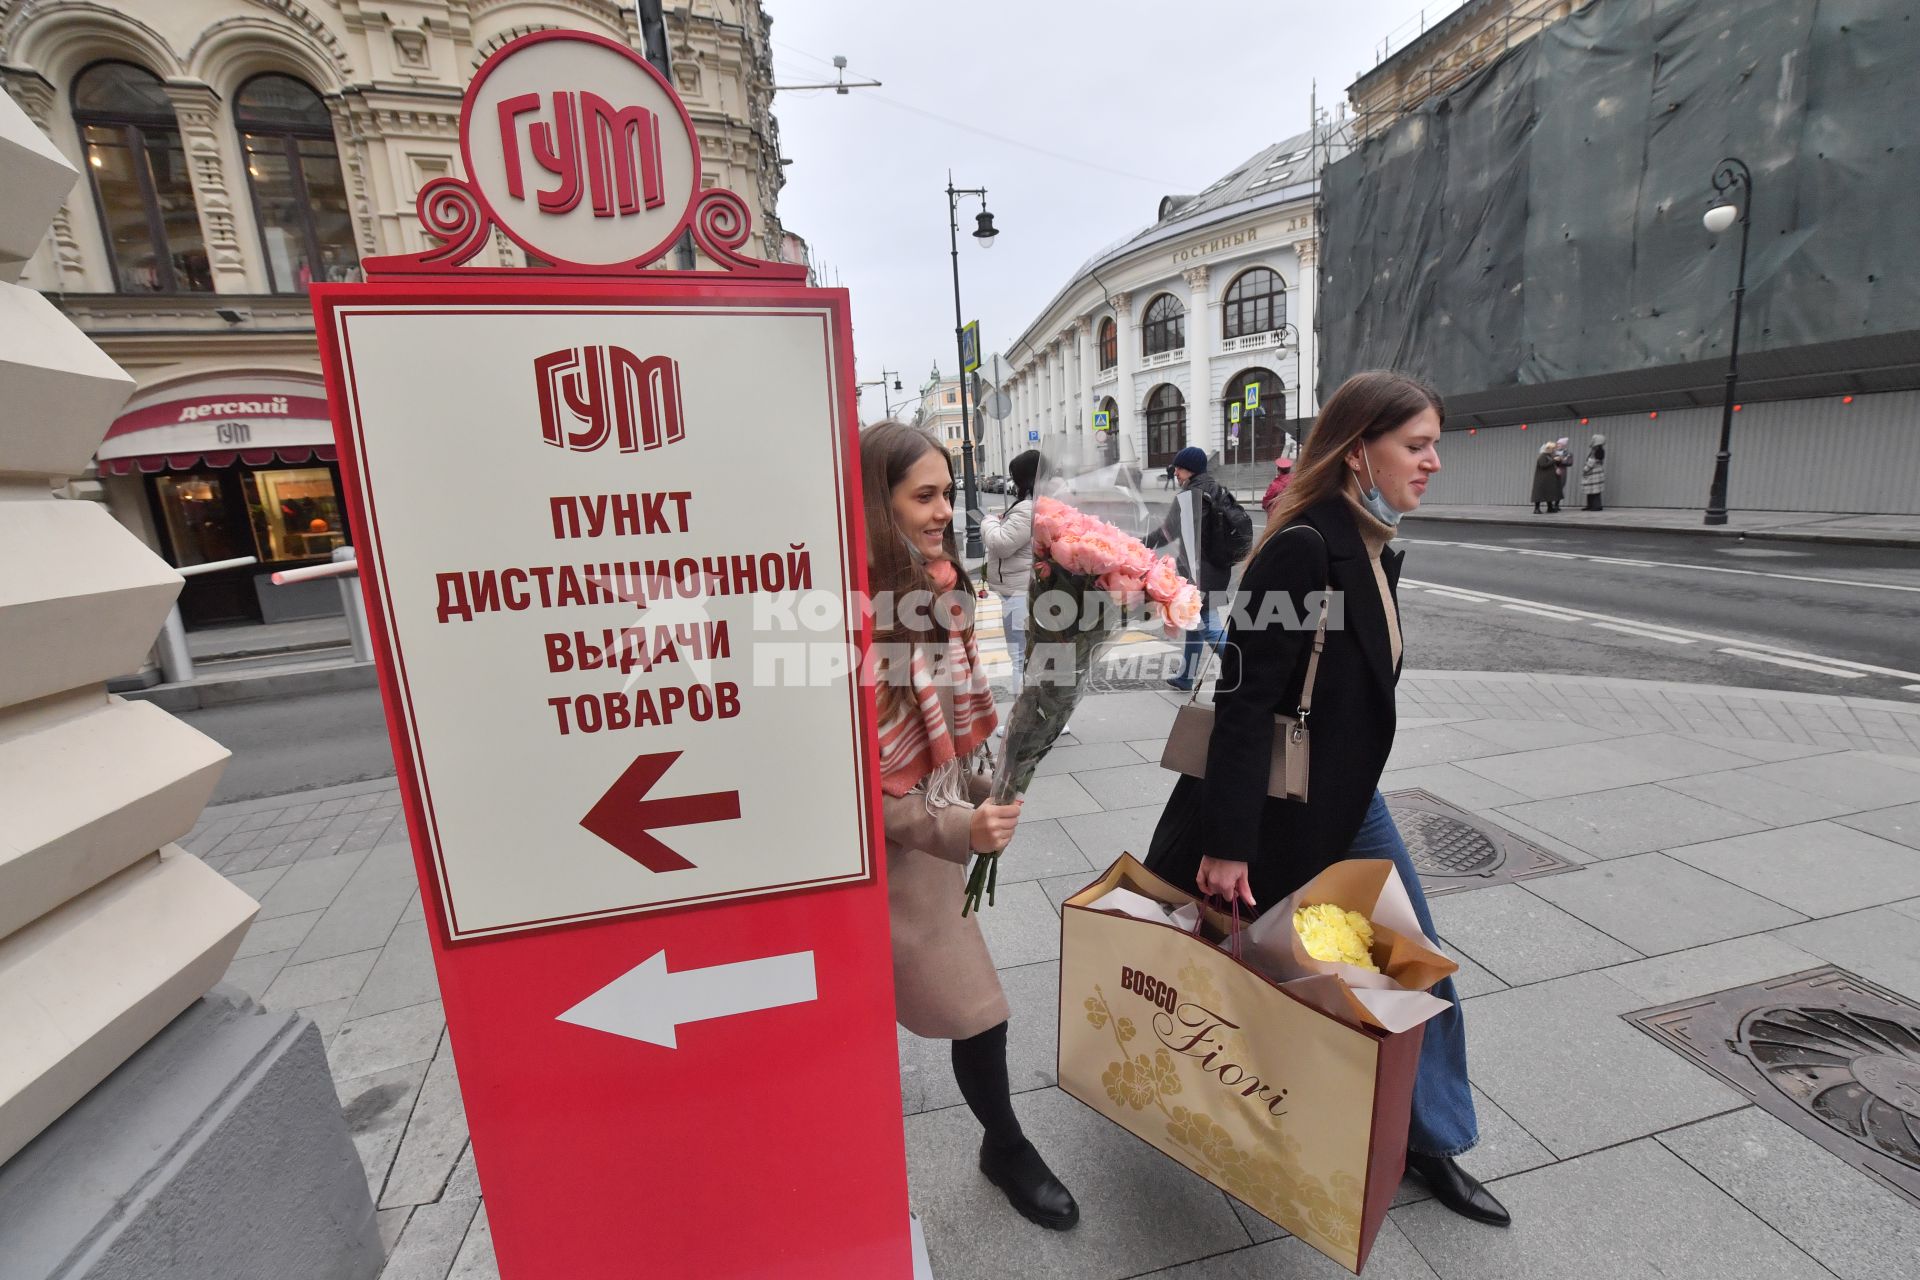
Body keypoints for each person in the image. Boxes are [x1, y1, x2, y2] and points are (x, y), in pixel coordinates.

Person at [1144, 371, 1512, 1229]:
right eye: (1416, 445)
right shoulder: (1304, 545)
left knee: (1413, 973)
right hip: (1293, 805)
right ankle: (1274, 1123)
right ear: (1360, 450)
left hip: (1348, 796)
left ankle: (1432, 1144)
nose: (1433, 462)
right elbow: (1243, 702)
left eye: (1434, 445)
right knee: (1327, 976)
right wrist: (1229, 844)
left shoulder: (1369, 538)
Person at [859, 422, 1079, 1230]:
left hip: (931, 838)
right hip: (884, 867)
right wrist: (960, 828)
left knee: (968, 1010)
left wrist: (992, 778)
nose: (945, 511)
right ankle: (1006, 1147)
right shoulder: (869, 616)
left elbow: (942, 737)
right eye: (924, 495)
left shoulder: (934, 591)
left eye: (948, 493)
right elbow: (871, 788)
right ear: (874, 504)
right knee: (978, 1009)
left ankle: (1000, 1144)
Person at [1146, 445, 1250, 691]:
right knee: (1194, 622)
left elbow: (1166, 533)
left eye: (1179, 468)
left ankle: (1244, 670)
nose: (1177, 473)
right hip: (1217, 569)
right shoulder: (1217, 490)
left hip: (1197, 573)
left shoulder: (1189, 496)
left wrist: (1139, 544)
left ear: (1189, 469)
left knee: (1208, 626)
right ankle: (1186, 677)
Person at [981, 449, 1038, 719]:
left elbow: (1002, 544)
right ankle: (1046, 720)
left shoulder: (1027, 508)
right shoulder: (1042, 503)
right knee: (1038, 659)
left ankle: (1022, 721)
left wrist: (988, 521)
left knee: (1020, 658)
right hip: (1030, 591)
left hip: (1019, 593)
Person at [1530, 440, 1560, 514]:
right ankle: (1536, 509)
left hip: (1548, 479)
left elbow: (1553, 464)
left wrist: (1558, 460)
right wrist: (1553, 460)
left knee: (1549, 493)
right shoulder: (1542, 456)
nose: (1554, 450)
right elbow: (1543, 465)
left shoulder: (1549, 456)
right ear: (1548, 448)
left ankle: (1550, 507)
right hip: (1541, 479)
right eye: (1553, 449)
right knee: (1539, 493)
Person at [1581, 434, 1607, 511]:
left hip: (1593, 472)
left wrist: (1585, 469)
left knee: (1592, 490)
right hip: (1598, 471)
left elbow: (1591, 461)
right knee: (1595, 489)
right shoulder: (1601, 450)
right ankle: (1593, 505)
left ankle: (1595, 506)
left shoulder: (1595, 450)